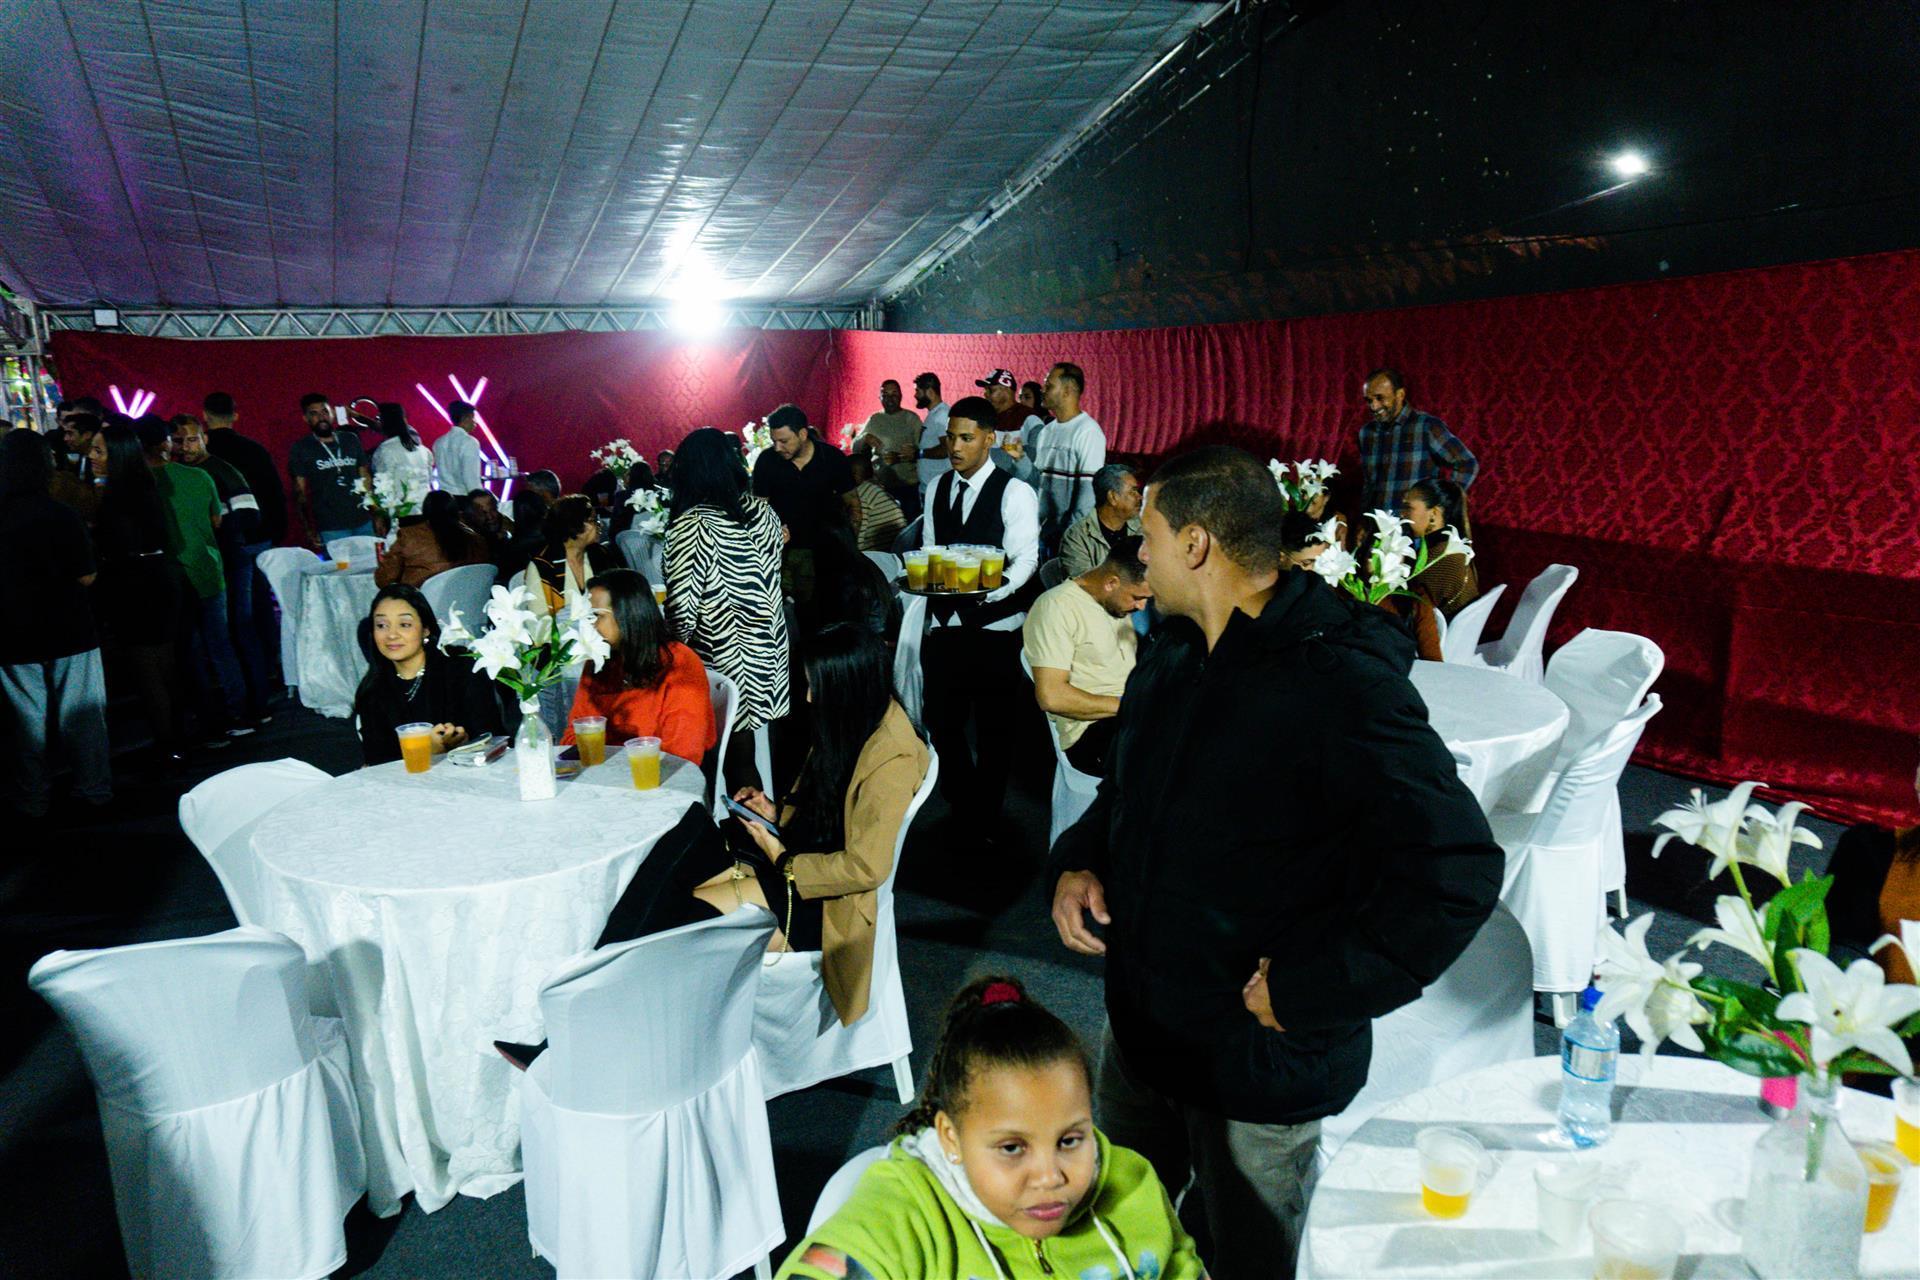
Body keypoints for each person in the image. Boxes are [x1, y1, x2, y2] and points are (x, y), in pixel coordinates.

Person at [1046, 446, 1502, 1277]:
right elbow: (1127, 790)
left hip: (1254, 1069)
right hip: (1143, 1030)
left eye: (1149, 534)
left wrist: (1313, 989)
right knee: (1116, 1245)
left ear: (1195, 545)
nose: (1137, 552)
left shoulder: (1338, 681)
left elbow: (1456, 870)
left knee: (1247, 1258)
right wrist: (1078, 860)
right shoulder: (1175, 650)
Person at [777, 975, 1206, 1280]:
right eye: (1012, 1148)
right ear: (951, 1137)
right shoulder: (904, 1211)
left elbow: (1184, 1267)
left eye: (1069, 1140)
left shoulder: (1133, 1181)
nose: (1049, 1177)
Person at [689, 624, 928, 1013]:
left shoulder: (892, 757)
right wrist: (774, 814)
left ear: (850, 686)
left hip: (828, 903)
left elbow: (866, 867)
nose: (809, 697)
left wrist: (782, 857)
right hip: (805, 867)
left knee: (697, 913)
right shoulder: (859, 720)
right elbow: (830, 808)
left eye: (818, 686)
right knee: (687, 868)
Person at [921, 396, 1042, 823]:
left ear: (989, 440)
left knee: (994, 728)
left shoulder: (1016, 492)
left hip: (995, 627)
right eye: (951, 437)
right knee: (940, 720)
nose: (955, 447)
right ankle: (962, 797)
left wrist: (991, 590)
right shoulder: (936, 488)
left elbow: (1026, 559)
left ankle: (986, 812)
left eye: (966, 438)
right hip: (946, 624)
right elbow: (932, 550)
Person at [663, 427, 791, 787]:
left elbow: (683, 610)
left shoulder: (693, 524)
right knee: (744, 754)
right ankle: (757, 817)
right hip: (769, 647)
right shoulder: (763, 512)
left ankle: (738, 820)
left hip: (722, 656)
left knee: (731, 761)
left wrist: (665, 649)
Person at [0, 431, 111, 817]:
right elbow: (87, 576)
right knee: (83, 717)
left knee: (26, 723)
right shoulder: (61, 513)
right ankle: (94, 790)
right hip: (70, 628)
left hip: (12, 633)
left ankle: (33, 797)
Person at [140, 415, 251, 745]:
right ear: (166, 442)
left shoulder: (138, 485)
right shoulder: (200, 476)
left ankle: (209, 722)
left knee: (190, 654)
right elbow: (217, 520)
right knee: (221, 647)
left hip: (171, 577)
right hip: (208, 569)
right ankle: (240, 713)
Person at [87, 422, 185, 764]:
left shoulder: (118, 496)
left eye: (99, 450)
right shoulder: (144, 486)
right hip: (157, 578)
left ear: (118, 455)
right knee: (163, 666)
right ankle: (176, 741)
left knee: (148, 670)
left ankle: (168, 746)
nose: (91, 456)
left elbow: (118, 547)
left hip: (135, 585)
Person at [171, 414, 273, 724]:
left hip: (232, 559)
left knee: (239, 629)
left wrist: (215, 529)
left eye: (192, 439)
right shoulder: (183, 474)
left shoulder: (220, 470)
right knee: (226, 634)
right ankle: (250, 703)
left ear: (204, 439)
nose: (185, 447)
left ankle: (257, 704)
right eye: (179, 441)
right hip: (214, 560)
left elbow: (251, 515)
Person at [558, 569, 717, 765]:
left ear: (628, 614)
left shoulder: (679, 663)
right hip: (605, 772)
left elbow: (682, 755)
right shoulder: (599, 660)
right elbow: (575, 735)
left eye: (597, 616)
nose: (590, 626)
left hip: (660, 774)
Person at [1022, 538, 1151, 778]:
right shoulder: (1057, 607)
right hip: (1089, 733)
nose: (1142, 606)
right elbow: (1051, 697)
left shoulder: (1116, 602)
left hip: (1127, 717)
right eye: (1137, 597)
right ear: (1111, 583)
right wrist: (1130, 706)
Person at [353, 584, 502, 766]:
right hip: (405, 781)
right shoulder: (372, 690)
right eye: (382, 625)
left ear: (426, 629)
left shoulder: (461, 668)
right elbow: (376, 762)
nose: (391, 635)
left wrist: (462, 744)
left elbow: (493, 737)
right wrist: (426, 751)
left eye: (404, 625)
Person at [1358, 368, 1478, 512]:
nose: (1374, 406)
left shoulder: (1427, 426)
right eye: (1369, 400)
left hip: (1414, 524)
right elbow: (1369, 485)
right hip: (1377, 523)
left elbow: (1467, 463)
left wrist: (1443, 506)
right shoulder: (1366, 433)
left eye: (1380, 398)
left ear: (1400, 395)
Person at [754, 403, 857, 551]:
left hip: (828, 546)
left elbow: (852, 503)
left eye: (784, 441)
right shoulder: (767, 461)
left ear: (802, 434)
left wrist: (851, 545)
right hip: (784, 548)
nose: (777, 448)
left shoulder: (832, 458)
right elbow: (760, 508)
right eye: (774, 441)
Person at [1029, 362, 1107, 541]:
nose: (1043, 390)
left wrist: (1069, 538)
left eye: (1049, 386)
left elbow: (1087, 498)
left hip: (1067, 537)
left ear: (1067, 391)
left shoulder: (1088, 431)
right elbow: (1039, 483)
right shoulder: (1047, 431)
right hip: (1042, 535)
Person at [201, 392, 287, 547]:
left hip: (218, 539)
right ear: (235, 416)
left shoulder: (198, 455)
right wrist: (277, 533)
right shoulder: (256, 450)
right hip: (258, 534)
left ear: (205, 416)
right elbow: (274, 494)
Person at [288, 392, 373, 549]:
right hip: (331, 526)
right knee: (341, 565)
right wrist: (308, 527)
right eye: (314, 414)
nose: (322, 417)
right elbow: (299, 491)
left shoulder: (350, 439)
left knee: (372, 563)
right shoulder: (301, 448)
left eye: (325, 411)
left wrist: (376, 514)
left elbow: (365, 477)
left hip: (363, 520)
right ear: (306, 418)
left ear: (332, 413)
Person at [375, 487, 491, 589]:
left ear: (425, 511)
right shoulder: (476, 539)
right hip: (468, 603)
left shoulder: (408, 536)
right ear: (455, 511)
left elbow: (384, 579)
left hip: (421, 603)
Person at [523, 494, 620, 614]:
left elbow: (620, 596)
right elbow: (539, 620)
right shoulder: (543, 567)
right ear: (575, 526)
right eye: (593, 520)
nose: (600, 524)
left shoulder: (600, 554)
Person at [1400, 476, 1480, 618]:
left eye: (1408, 508)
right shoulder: (1445, 547)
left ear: (1433, 514)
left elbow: (1405, 613)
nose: (1402, 514)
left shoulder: (1440, 560)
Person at [1057, 463, 1143, 579]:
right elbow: (1084, 584)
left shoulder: (1142, 529)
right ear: (1113, 497)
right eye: (1133, 491)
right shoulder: (1077, 537)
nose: (1140, 497)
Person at [852, 378, 923, 515]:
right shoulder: (875, 419)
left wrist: (902, 457)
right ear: (880, 397)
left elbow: (922, 451)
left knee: (907, 523)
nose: (890, 399)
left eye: (894, 394)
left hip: (907, 485)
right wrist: (865, 437)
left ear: (901, 395)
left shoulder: (912, 419)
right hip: (880, 486)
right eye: (885, 395)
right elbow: (855, 447)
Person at [848, 454, 907, 553]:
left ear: (854, 474)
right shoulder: (874, 489)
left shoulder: (862, 494)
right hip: (894, 547)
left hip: (878, 551)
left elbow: (859, 535)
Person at [49, 409, 101, 518]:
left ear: (87, 434)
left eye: (70, 433)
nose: (66, 439)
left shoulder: (99, 464)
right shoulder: (77, 458)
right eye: (65, 434)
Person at [434, 398, 486, 498]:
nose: (475, 422)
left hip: (444, 499)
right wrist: (479, 498)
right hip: (463, 497)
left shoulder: (439, 442)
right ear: (465, 419)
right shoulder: (470, 442)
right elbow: (471, 478)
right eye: (473, 418)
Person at [912, 371, 951, 503]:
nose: (915, 395)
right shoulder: (934, 414)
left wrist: (919, 453)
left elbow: (946, 449)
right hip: (930, 488)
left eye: (918, 391)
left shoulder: (942, 414)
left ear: (929, 392)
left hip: (939, 490)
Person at [370, 402, 432, 486]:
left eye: (379, 419)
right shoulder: (424, 450)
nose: (378, 423)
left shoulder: (385, 450)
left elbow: (382, 483)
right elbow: (428, 479)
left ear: (385, 422)